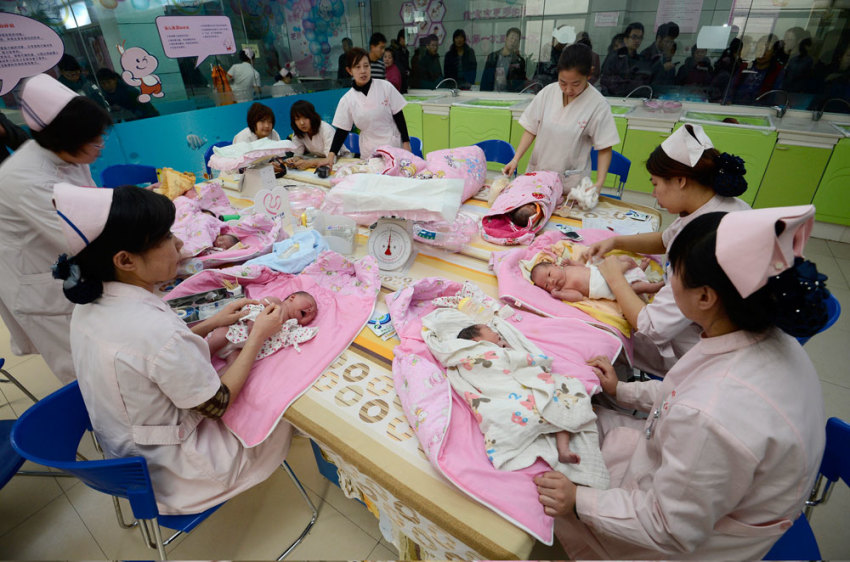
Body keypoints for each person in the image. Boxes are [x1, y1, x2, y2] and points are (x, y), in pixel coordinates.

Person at [536, 205, 827, 559]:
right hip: (700, 480)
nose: (668, 280)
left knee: (545, 474)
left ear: (705, 296)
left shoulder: (713, 413)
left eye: (675, 271)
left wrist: (578, 500)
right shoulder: (761, 338)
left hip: (684, 541)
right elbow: (682, 390)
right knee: (577, 417)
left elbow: (668, 527)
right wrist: (620, 390)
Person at [51, 184, 295, 515]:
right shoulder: (153, 330)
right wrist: (258, 336)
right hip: (175, 472)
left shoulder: (90, 305)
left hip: (127, 452)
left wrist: (211, 323)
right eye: (166, 237)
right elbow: (218, 403)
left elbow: (148, 357)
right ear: (125, 260)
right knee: (284, 402)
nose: (179, 243)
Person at [584, 124, 751, 375]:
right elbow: (665, 240)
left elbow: (650, 326)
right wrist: (616, 242)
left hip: (693, 355)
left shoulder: (706, 238)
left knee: (595, 326)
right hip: (698, 326)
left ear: (680, 181)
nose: (654, 193)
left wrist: (614, 277)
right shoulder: (712, 205)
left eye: (655, 184)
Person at [0, 74, 111, 383]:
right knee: (83, 370)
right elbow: (79, 235)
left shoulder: (71, 155)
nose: (100, 145)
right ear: (65, 140)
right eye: (93, 140)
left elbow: (93, 202)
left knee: (108, 355)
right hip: (41, 282)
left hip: (70, 264)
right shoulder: (24, 178)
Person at [503, 44, 619, 195]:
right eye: (563, 82)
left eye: (576, 84)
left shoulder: (597, 105)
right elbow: (531, 129)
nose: (568, 90)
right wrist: (515, 159)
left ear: (589, 74)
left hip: (570, 185)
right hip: (537, 177)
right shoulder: (548, 93)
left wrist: (599, 182)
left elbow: (605, 147)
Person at [457, 323, 580, 464]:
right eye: (490, 330)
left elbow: (517, 359)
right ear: (476, 340)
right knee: (554, 400)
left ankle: (563, 450)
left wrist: (506, 348)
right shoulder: (474, 355)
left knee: (557, 399)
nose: (496, 332)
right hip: (504, 390)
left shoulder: (500, 349)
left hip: (521, 385)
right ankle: (558, 445)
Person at [317, 47, 410, 167]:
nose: (363, 71)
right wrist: (331, 155)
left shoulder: (386, 87)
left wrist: (406, 143)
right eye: (357, 67)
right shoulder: (347, 100)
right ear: (349, 71)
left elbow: (399, 116)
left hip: (393, 147)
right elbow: (342, 131)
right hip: (369, 152)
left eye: (366, 66)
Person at [206, 292, 318, 367]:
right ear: (292, 297)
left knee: (235, 366)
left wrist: (309, 333)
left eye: (312, 314)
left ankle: (216, 385)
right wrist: (252, 321)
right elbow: (255, 306)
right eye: (309, 305)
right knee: (219, 336)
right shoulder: (276, 302)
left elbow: (293, 337)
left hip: (240, 349)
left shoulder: (292, 325)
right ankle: (204, 357)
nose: (310, 310)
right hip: (236, 330)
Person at [531, 257, 662, 302]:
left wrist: (571, 261)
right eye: (546, 285)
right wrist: (560, 294)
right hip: (607, 286)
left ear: (555, 265)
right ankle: (655, 287)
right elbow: (578, 297)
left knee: (624, 259)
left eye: (549, 275)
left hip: (603, 271)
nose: (551, 281)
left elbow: (583, 266)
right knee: (634, 288)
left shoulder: (567, 268)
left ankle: (639, 269)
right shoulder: (564, 288)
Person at [285, 99, 350, 169]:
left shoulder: (326, 129)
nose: (302, 123)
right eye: (297, 119)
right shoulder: (298, 133)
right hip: (320, 161)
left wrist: (309, 163)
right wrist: (294, 160)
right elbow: (298, 154)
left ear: (312, 116)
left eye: (305, 118)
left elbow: (331, 159)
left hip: (342, 161)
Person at [599, 22, 651, 96]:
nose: (637, 41)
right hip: (614, 99)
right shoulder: (614, 57)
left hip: (634, 98)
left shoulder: (640, 60)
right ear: (626, 39)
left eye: (640, 38)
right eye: (634, 37)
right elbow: (607, 82)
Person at [95, 68, 159, 121]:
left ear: (115, 80)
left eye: (109, 82)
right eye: (103, 83)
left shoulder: (130, 91)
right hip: (128, 119)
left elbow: (145, 109)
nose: (106, 85)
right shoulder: (102, 94)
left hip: (148, 118)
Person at [481, 27, 527, 92]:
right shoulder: (492, 57)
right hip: (491, 95)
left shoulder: (519, 61)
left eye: (516, 40)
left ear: (518, 43)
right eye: (512, 38)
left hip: (508, 97)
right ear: (506, 38)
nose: (513, 41)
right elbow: (484, 80)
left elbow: (520, 85)